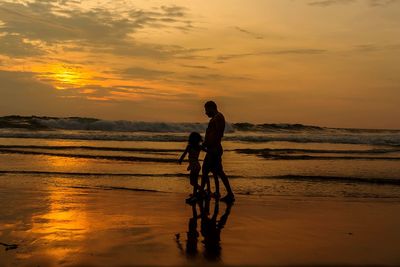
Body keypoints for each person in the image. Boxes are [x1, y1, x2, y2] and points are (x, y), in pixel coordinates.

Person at [201, 101, 235, 202]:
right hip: (214, 148)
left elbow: (216, 135)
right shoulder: (218, 117)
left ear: (212, 108)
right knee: (218, 172)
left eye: (206, 110)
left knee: (205, 170)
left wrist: (206, 144)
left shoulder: (217, 118)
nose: (206, 113)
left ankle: (203, 193)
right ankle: (228, 193)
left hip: (213, 149)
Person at [179, 132, 203, 203]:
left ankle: (202, 191)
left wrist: (180, 160)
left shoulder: (189, 146)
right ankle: (195, 195)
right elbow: (206, 150)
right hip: (197, 165)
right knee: (194, 182)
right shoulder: (199, 146)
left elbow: (184, 153)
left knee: (193, 182)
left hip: (194, 166)